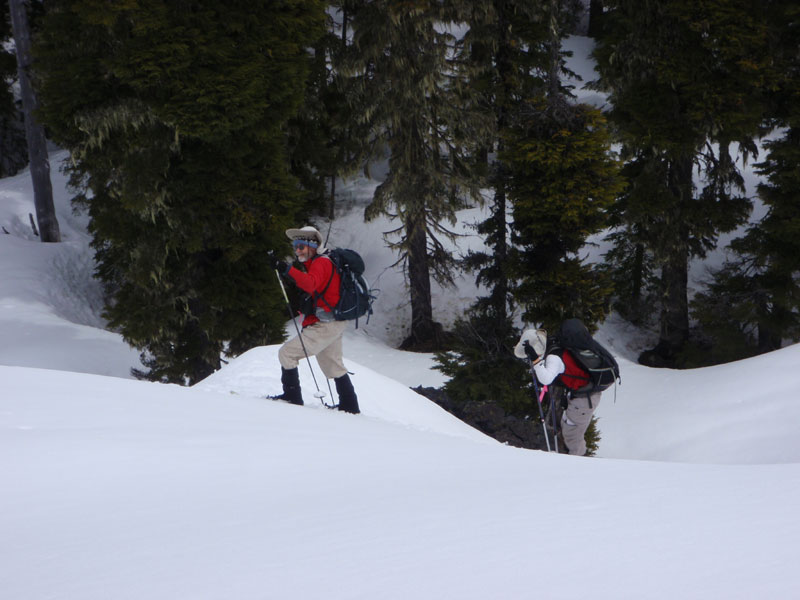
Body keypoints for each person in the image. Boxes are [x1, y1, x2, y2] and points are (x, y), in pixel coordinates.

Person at [270, 225, 360, 414]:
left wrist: (286, 269)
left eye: (301, 246)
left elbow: (310, 284)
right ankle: (350, 407)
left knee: (287, 353)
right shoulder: (321, 262)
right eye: (295, 246)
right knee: (333, 364)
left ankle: (292, 398)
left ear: (312, 245)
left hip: (326, 324)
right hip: (333, 322)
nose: (297, 251)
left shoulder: (322, 263)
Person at [514, 327, 600, 456]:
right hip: (584, 396)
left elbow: (546, 379)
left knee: (572, 435)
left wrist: (535, 360)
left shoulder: (554, 357)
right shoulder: (556, 346)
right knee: (569, 430)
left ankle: (577, 467)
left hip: (584, 399)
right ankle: (573, 462)